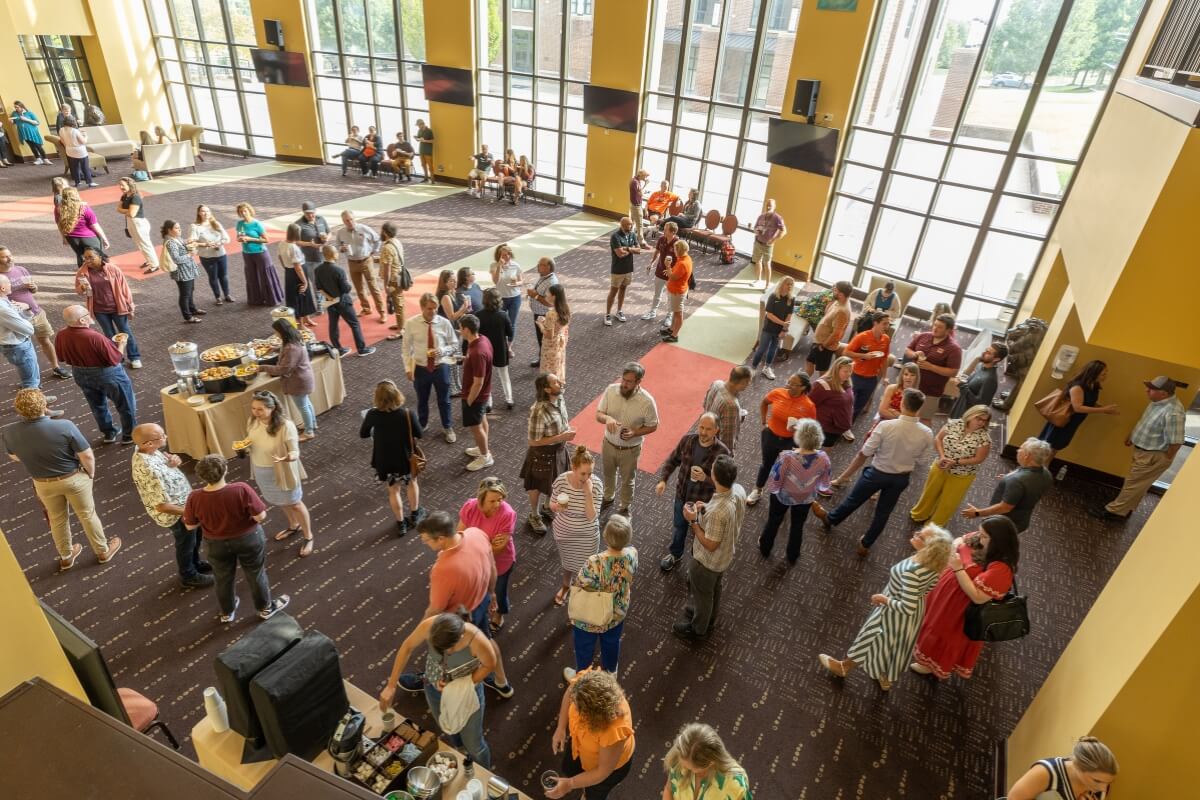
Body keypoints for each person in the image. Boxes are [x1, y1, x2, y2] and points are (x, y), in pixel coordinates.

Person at [818, 525, 953, 691]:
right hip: (911, 612)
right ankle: (886, 678)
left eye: (921, 536)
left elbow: (907, 607)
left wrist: (885, 600)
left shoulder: (913, 572)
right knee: (893, 645)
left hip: (895, 611)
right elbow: (924, 591)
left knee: (870, 636)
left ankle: (844, 666)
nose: (915, 534)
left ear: (929, 548)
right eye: (919, 531)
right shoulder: (932, 564)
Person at [4, 388, 120, 571]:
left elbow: (15, 457)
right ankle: (103, 551)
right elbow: (87, 455)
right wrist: (90, 473)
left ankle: (66, 556)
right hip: (72, 479)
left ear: (19, 410)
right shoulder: (64, 426)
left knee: (57, 519)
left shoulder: (9, 432)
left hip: (42, 484)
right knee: (87, 515)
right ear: (44, 406)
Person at [406, 511, 513, 698]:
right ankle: (502, 682)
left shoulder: (443, 569)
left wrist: (422, 630)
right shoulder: (476, 534)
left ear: (440, 539)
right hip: (481, 602)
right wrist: (491, 594)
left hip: (458, 618)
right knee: (486, 641)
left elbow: (435, 609)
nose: (425, 544)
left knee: (442, 652)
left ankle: (432, 681)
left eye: (426, 541)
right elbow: (492, 569)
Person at [820, 389, 933, 557]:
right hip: (901, 478)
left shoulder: (886, 426)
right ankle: (866, 544)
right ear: (920, 408)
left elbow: (866, 450)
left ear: (902, 404)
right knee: (883, 512)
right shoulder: (927, 432)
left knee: (854, 500)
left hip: (877, 473)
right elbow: (923, 461)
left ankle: (831, 520)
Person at [379, 612, 499, 768]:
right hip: (433, 687)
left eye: (448, 650)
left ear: (459, 637)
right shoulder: (430, 625)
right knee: (448, 727)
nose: (444, 654)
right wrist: (391, 685)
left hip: (466, 693)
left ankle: (484, 773)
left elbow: (490, 664)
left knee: (474, 744)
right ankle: (460, 750)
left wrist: (459, 686)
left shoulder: (476, 640)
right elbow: (407, 646)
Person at [183, 454, 290, 623]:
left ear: (201, 476)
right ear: (225, 470)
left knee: (222, 577)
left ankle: (227, 612)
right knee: (256, 573)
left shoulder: (194, 497)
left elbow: (190, 526)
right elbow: (261, 517)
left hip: (215, 544)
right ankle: (265, 609)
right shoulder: (241, 489)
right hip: (248, 539)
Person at [911, 515, 1019, 680]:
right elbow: (960, 541)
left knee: (941, 631)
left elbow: (978, 597)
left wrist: (959, 568)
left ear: (997, 540)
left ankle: (930, 663)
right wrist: (960, 555)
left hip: (959, 608)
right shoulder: (982, 539)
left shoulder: (1002, 569)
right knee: (931, 620)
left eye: (984, 536)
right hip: (948, 593)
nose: (978, 536)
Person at [1092, 376, 1187, 522]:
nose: (1146, 390)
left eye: (1151, 389)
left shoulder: (1173, 412)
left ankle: (1114, 512)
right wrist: (1132, 435)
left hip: (1153, 455)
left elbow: (1177, 442)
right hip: (1144, 450)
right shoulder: (1157, 402)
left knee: (1132, 484)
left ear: (1164, 393)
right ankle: (1128, 508)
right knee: (1138, 485)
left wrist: (1165, 458)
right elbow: (1145, 420)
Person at [130, 423, 213, 588]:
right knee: (185, 544)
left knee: (195, 537)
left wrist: (175, 462)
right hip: (177, 515)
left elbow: (168, 470)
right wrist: (191, 512)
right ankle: (188, 575)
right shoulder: (147, 469)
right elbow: (161, 506)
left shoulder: (149, 450)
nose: (165, 437)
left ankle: (195, 563)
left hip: (184, 504)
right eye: (161, 436)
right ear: (149, 443)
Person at [673, 454, 745, 640]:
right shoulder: (737, 491)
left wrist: (693, 521)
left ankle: (698, 628)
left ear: (715, 476)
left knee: (703, 594)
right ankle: (709, 618)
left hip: (707, 562)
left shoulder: (718, 512)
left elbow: (711, 544)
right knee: (714, 589)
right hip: (724, 557)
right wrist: (705, 506)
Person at [657, 413, 730, 573]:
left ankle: (697, 565)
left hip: (704, 503)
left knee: (701, 535)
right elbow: (672, 460)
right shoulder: (687, 441)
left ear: (716, 430)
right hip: (682, 497)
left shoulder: (722, 452)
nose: (703, 432)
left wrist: (705, 478)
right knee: (679, 527)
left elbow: (726, 484)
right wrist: (663, 479)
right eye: (701, 427)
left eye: (708, 429)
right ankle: (676, 554)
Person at [244, 390, 314, 557]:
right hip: (261, 469)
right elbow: (250, 442)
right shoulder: (252, 421)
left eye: (260, 409)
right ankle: (293, 525)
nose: (255, 413)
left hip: (282, 469)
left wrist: (290, 457)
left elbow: (295, 451)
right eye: (253, 408)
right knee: (281, 501)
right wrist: (244, 449)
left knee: (295, 502)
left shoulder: (285, 426)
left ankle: (308, 536)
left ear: (272, 408)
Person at [547, 669, 635, 800]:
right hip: (581, 745)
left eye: (578, 709)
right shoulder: (587, 683)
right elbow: (570, 692)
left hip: (607, 768)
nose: (573, 707)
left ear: (593, 718)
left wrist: (570, 784)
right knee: (570, 769)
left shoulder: (613, 730)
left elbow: (601, 772)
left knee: (594, 793)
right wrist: (560, 728)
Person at [831, 362, 922, 489]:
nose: (908, 377)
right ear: (901, 375)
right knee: (863, 453)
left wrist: (893, 412)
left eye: (912, 375)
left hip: (898, 433)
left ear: (917, 377)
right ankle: (844, 477)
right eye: (906, 374)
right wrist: (901, 415)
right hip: (881, 426)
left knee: (885, 461)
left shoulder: (917, 396)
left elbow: (914, 419)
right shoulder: (892, 388)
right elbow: (882, 411)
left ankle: (877, 489)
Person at [55, 304, 138, 444]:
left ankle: (109, 433)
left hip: (80, 373)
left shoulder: (61, 334)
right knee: (126, 405)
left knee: (97, 406)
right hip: (107, 374)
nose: (90, 315)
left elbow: (61, 357)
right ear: (82, 321)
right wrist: (122, 343)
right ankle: (129, 436)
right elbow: (116, 358)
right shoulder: (94, 336)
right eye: (87, 314)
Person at [567, 515, 638, 676]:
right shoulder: (632, 554)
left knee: (584, 645)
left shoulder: (594, 561)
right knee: (612, 642)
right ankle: (610, 672)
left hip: (590, 616)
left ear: (605, 536)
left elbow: (580, 583)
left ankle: (582, 676)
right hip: (617, 613)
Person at [759, 418, 831, 564]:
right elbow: (824, 484)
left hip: (783, 497)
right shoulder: (824, 458)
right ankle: (793, 554)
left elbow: (776, 480)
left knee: (774, 521)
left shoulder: (787, 457)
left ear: (799, 438)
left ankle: (765, 547)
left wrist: (775, 491)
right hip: (805, 499)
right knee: (798, 526)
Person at [910, 405, 993, 526]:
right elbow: (938, 439)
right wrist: (942, 456)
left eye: (984, 420)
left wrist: (956, 462)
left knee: (948, 503)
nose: (981, 422)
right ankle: (919, 514)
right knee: (929, 493)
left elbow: (979, 459)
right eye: (978, 418)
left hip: (962, 474)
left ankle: (935, 526)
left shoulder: (984, 438)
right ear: (970, 415)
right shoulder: (954, 424)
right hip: (940, 465)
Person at [596, 362, 660, 517]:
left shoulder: (647, 401)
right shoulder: (611, 390)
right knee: (608, 473)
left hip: (630, 450)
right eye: (623, 379)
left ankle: (624, 506)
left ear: (639, 382)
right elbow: (599, 414)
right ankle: (608, 496)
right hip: (608, 444)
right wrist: (608, 419)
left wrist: (635, 432)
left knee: (627, 480)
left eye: (629, 381)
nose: (623, 384)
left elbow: (653, 426)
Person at [361, 379, 423, 535]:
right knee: (411, 483)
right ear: (396, 394)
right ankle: (415, 514)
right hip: (405, 458)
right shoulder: (407, 414)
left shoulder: (372, 414)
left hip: (384, 460)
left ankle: (401, 523)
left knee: (393, 490)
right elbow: (419, 434)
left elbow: (363, 434)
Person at [747, 372, 816, 505]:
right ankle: (758, 489)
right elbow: (764, 402)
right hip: (770, 435)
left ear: (802, 387)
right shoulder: (778, 393)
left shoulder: (809, 406)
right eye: (788, 381)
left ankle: (781, 494)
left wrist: (799, 429)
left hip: (791, 441)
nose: (788, 385)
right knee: (766, 464)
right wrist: (763, 422)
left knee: (787, 469)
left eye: (793, 384)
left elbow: (810, 428)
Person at [0, 249, 70, 379]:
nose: (10, 259)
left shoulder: (20, 269)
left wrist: (33, 287)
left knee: (45, 340)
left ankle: (56, 367)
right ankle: (31, 378)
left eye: (10, 255)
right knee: (24, 348)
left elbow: (33, 290)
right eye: (5, 257)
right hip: (17, 319)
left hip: (35, 312)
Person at [962, 437, 1053, 533]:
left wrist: (977, 513)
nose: (1018, 450)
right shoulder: (1046, 474)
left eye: (1021, 449)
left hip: (1001, 524)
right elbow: (1030, 487)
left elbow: (1004, 508)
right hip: (1021, 521)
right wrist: (1008, 479)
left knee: (987, 544)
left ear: (1027, 456)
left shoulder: (1017, 481)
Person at [459, 478, 516, 632]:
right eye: (492, 501)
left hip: (500, 564)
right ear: (481, 499)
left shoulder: (507, 513)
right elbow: (460, 535)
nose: (497, 504)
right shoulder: (470, 507)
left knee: (499, 591)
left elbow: (498, 549)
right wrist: (488, 543)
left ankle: (500, 614)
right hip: (475, 563)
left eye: (500, 499)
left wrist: (474, 545)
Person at [550, 446, 604, 606]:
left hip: (587, 536)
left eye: (590, 473)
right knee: (567, 563)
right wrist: (556, 507)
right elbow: (551, 503)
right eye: (583, 473)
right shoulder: (561, 480)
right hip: (564, 533)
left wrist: (588, 493)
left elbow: (592, 516)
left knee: (587, 567)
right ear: (574, 468)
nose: (587, 477)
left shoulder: (596, 485)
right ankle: (566, 586)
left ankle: (582, 591)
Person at [522, 372, 575, 534]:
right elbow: (533, 441)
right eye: (555, 382)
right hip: (541, 454)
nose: (560, 382)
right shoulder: (539, 411)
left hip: (559, 450)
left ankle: (546, 507)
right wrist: (562, 436)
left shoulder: (559, 398)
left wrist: (564, 434)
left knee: (555, 482)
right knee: (536, 486)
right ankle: (534, 515)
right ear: (546, 389)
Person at [403, 292, 458, 443]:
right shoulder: (411, 323)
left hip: (441, 367)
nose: (433, 312)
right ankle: (422, 424)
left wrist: (442, 351)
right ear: (421, 307)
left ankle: (447, 427)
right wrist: (408, 368)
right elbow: (406, 348)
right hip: (420, 368)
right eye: (429, 308)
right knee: (422, 399)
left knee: (444, 400)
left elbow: (454, 344)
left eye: (435, 308)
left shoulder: (444, 323)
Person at [72, 247, 140, 368]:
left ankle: (134, 357)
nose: (88, 260)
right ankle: (117, 358)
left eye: (91, 257)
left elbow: (125, 288)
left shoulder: (112, 269)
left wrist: (130, 304)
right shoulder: (82, 272)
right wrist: (82, 288)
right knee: (109, 334)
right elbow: (78, 290)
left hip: (117, 307)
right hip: (99, 309)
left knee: (125, 332)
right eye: (85, 258)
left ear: (99, 256)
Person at [1036, 359, 1119, 456]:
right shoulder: (1078, 387)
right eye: (1103, 374)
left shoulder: (1093, 386)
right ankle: (1035, 468)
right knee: (1047, 450)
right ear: (1093, 373)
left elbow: (1089, 402)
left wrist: (1105, 410)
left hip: (1073, 423)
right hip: (1064, 420)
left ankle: (1042, 469)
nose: (1105, 377)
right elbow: (1078, 407)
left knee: (1055, 449)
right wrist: (1103, 410)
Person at [1005, 736, 1118, 800]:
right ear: (1077, 765)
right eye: (1096, 780)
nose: (1103, 788)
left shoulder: (1100, 789)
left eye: (1108, 782)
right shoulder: (1045, 773)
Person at [259, 318, 318, 441]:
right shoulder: (295, 339)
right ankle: (312, 424)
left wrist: (262, 367)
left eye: (276, 332)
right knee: (306, 403)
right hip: (303, 378)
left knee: (303, 406)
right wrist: (275, 349)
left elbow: (283, 369)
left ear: (282, 332)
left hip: (298, 381)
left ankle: (309, 432)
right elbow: (288, 352)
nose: (276, 334)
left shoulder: (291, 348)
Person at [661, 722, 752, 800]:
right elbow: (669, 789)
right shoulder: (680, 755)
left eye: (690, 768)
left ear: (710, 762)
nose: (682, 767)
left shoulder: (735, 785)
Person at [314, 244, 376, 357]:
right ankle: (362, 349)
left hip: (330, 301)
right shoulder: (338, 270)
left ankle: (339, 349)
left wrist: (329, 297)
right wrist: (347, 282)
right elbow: (346, 289)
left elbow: (319, 287)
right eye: (336, 252)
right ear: (333, 255)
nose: (338, 254)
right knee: (354, 324)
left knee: (333, 326)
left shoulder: (318, 270)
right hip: (343, 301)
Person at [904, 314, 963, 423]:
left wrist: (931, 367)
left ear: (948, 330)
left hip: (930, 391)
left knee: (924, 420)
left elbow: (953, 372)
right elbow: (908, 350)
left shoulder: (954, 349)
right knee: (903, 413)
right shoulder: (923, 336)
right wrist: (914, 354)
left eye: (940, 327)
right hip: (909, 384)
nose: (935, 328)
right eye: (935, 325)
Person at [458, 314, 494, 470]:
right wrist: (465, 359)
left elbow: (478, 381)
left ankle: (485, 456)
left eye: (460, 328)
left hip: (476, 396)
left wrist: (469, 400)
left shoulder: (477, 352)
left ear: (466, 329)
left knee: (476, 427)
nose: (459, 331)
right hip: (484, 394)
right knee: (482, 420)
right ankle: (482, 449)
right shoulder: (483, 340)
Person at [335, 210, 384, 323]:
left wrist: (374, 251)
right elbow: (338, 245)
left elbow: (377, 239)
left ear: (354, 218)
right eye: (347, 220)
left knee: (373, 287)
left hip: (366, 261)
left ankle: (382, 312)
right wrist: (341, 249)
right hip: (352, 262)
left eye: (351, 219)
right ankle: (366, 308)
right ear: (343, 221)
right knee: (359, 288)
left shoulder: (364, 228)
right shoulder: (341, 232)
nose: (350, 222)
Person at [844, 311, 891, 421]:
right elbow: (846, 352)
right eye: (884, 323)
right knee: (847, 402)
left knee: (859, 406)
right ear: (875, 323)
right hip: (855, 375)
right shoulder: (862, 337)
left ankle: (849, 426)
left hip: (872, 379)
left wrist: (885, 377)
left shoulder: (886, 339)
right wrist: (864, 355)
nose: (887, 326)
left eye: (888, 324)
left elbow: (884, 359)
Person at [235, 202, 284, 306]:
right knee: (251, 277)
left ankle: (272, 299)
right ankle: (256, 300)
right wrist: (240, 239)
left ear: (249, 211)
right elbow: (238, 237)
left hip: (260, 253)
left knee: (265, 276)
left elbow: (266, 240)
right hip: (247, 253)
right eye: (241, 212)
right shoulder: (239, 224)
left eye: (245, 211)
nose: (243, 213)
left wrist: (250, 239)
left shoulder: (257, 224)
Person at [0, 275, 42, 391]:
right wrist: (21, 313)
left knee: (33, 372)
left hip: (16, 343)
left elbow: (22, 318)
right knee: (30, 382)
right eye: (8, 283)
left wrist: (26, 308)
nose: (11, 284)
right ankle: (35, 408)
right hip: (17, 345)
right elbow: (28, 329)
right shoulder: (2, 308)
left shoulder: (4, 302)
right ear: (2, 288)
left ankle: (39, 399)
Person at [161, 219, 205, 323]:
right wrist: (190, 254)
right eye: (176, 228)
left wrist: (187, 242)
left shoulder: (175, 238)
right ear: (169, 230)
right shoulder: (170, 242)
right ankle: (188, 316)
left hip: (187, 270)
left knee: (190, 290)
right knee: (185, 294)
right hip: (182, 272)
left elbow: (181, 245)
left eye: (179, 227)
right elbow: (176, 259)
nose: (180, 229)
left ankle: (192, 309)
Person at [805, 280, 853, 377]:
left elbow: (837, 333)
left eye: (835, 290)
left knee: (822, 372)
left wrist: (823, 345)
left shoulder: (842, 312)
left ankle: (823, 390)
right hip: (819, 341)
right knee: (809, 362)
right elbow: (827, 313)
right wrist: (831, 301)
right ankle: (804, 386)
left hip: (824, 346)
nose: (832, 291)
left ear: (841, 294)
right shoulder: (837, 301)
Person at [751, 277, 795, 379]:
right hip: (768, 328)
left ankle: (767, 368)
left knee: (773, 350)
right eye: (787, 284)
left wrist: (784, 329)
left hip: (780, 330)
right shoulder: (773, 297)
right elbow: (769, 315)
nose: (789, 286)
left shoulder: (791, 299)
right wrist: (783, 323)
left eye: (791, 285)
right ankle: (753, 368)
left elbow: (789, 315)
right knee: (762, 349)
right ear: (782, 284)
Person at [949, 342, 1009, 418]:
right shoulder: (980, 365)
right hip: (960, 404)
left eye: (988, 353)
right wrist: (963, 381)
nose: (984, 353)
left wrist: (962, 386)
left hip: (967, 414)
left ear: (996, 359)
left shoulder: (990, 379)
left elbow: (980, 404)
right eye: (986, 350)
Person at [477, 288, 514, 410]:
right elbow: (510, 333)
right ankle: (509, 399)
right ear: (499, 300)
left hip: (484, 350)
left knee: (486, 377)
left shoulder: (478, 315)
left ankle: (488, 403)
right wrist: (509, 347)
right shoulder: (503, 315)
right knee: (504, 375)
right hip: (500, 350)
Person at [186, 205, 232, 304]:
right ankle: (218, 297)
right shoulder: (195, 227)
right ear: (199, 213)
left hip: (221, 254)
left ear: (210, 212)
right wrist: (205, 244)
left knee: (223, 276)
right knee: (213, 277)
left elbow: (227, 238)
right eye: (203, 211)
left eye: (207, 211)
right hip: (207, 257)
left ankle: (227, 294)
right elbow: (191, 243)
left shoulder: (216, 224)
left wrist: (219, 244)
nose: (206, 213)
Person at [435, 269, 469, 396]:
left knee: (454, 359)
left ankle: (457, 385)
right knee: (450, 359)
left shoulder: (452, 293)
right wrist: (464, 308)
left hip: (452, 331)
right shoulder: (445, 296)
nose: (454, 283)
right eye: (451, 281)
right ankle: (452, 388)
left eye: (455, 280)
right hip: (446, 333)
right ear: (444, 282)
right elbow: (451, 316)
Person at [56, 187, 110, 266]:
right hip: (88, 237)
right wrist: (105, 239)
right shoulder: (84, 208)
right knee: (98, 256)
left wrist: (64, 237)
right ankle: (102, 273)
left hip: (72, 238)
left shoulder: (60, 210)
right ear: (76, 195)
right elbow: (95, 225)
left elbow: (60, 225)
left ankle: (84, 274)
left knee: (81, 256)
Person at [116, 177, 160, 273]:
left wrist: (125, 211)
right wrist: (128, 211)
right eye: (120, 185)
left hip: (139, 223)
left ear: (129, 185)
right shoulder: (125, 196)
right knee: (139, 243)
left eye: (123, 185)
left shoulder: (135, 197)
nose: (121, 187)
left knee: (145, 244)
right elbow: (118, 209)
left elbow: (132, 214)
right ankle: (149, 260)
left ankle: (155, 264)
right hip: (131, 222)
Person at [703, 366, 751, 451]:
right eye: (747, 381)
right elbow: (727, 439)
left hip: (705, 434)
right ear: (741, 382)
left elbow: (704, 404)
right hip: (714, 446)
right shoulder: (731, 406)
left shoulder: (716, 383)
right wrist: (728, 455)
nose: (749, 384)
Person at [810, 356, 855, 446]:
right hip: (824, 427)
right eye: (845, 371)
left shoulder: (846, 381)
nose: (849, 374)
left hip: (838, 427)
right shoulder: (822, 385)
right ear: (836, 370)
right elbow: (810, 404)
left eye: (850, 371)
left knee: (827, 448)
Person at [606, 217, 643, 326]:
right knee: (613, 291)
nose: (630, 226)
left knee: (623, 289)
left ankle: (619, 311)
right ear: (621, 225)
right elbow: (619, 254)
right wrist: (632, 250)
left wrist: (627, 249)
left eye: (631, 224)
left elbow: (639, 250)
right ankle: (607, 314)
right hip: (617, 270)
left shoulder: (632, 234)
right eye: (628, 225)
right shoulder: (615, 236)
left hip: (628, 269)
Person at [279, 223, 318, 328]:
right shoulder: (293, 248)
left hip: (289, 272)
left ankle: (306, 318)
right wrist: (305, 282)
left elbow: (280, 258)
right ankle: (300, 324)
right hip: (298, 274)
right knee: (299, 298)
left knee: (301, 297)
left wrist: (286, 268)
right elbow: (298, 267)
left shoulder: (282, 243)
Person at [642, 221, 679, 322]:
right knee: (657, 293)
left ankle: (669, 316)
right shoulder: (661, 239)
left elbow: (680, 260)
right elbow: (657, 252)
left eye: (666, 230)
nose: (663, 231)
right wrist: (652, 263)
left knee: (670, 296)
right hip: (660, 270)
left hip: (671, 274)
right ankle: (653, 311)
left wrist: (674, 273)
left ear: (673, 232)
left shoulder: (677, 243)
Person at [526, 256, 559, 367]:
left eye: (540, 265)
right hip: (539, 313)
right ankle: (543, 358)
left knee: (544, 339)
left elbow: (550, 303)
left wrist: (535, 295)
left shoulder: (551, 282)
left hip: (544, 315)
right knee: (541, 339)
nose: (537, 267)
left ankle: (546, 362)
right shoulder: (544, 277)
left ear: (548, 267)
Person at [378, 221, 407, 339]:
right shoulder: (396, 242)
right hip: (399, 275)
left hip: (393, 279)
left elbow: (387, 268)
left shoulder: (387, 247)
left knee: (397, 303)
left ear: (385, 232)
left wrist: (386, 284)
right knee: (399, 301)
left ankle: (401, 329)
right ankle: (401, 324)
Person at [662, 240, 693, 343]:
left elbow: (673, 277)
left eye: (675, 249)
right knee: (675, 312)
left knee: (678, 313)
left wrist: (667, 266)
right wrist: (671, 271)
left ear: (679, 250)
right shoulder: (686, 258)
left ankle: (674, 335)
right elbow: (676, 274)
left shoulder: (682, 263)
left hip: (677, 292)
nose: (674, 251)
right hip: (678, 289)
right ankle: (671, 329)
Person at [538, 284, 570, 383]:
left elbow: (549, 335)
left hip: (550, 345)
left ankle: (550, 391)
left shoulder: (551, 314)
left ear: (554, 296)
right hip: (560, 342)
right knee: (558, 365)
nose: (546, 295)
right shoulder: (566, 309)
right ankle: (559, 386)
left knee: (548, 368)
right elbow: (561, 327)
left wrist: (540, 324)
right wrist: (545, 322)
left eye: (548, 293)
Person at [489, 243, 523, 338]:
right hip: (500, 298)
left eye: (508, 254)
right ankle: (501, 342)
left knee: (512, 323)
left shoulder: (516, 265)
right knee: (499, 322)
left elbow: (521, 281)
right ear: (499, 256)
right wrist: (500, 266)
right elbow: (496, 281)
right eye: (504, 255)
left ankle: (509, 346)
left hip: (515, 298)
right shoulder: (494, 266)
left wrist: (516, 283)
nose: (507, 256)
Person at [751, 199, 786, 287]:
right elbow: (756, 228)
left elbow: (784, 231)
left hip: (768, 245)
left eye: (770, 205)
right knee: (758, 262)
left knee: (767, 264)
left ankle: (767, 285)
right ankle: (758, 279)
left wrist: (773, 240)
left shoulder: (777, 218)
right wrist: (756, 230)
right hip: (758, 242)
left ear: (774, 207)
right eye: (767, 205)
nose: (768, 207)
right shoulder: (761, 216)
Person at [295, 201, 331, 283]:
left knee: (328, 282)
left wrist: (327, 238)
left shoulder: (321, 219)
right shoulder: (298, 224)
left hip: (325, 257)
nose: (310, 215)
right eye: (307, 214)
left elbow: (329, 232)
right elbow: (296, 242)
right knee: (317, 284)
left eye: (312, 213)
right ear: (303, 212)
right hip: (310, 260)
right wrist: (309, 244)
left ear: (315, 211)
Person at [57, 116, 95, 188]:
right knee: (85, 167)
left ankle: (77, 182)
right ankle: (90, 183)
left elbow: (62, 140)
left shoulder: (61, 130)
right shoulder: (75, 131)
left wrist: (68, 146)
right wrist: (86, 136)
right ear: (72, 122)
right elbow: (83, 142)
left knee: (75, 167)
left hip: (69, 150)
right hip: (80, 151)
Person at [629, 168, 650, 247]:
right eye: (645, 176)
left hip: (634, 205)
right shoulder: (635, 182)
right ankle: (642, 242)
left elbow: (639, 192)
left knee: (632, 223)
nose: (645, 178)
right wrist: (646, 184)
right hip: (636, 206)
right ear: (641, 174)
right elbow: (640, 193)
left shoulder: (635, 180)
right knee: (639, 224)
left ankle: (628, 239)